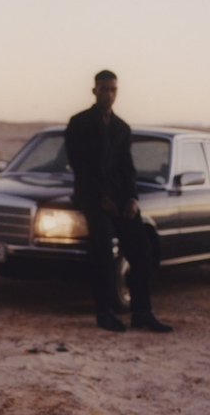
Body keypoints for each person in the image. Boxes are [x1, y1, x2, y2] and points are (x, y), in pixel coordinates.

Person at [65, 71, 173, 334]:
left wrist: (132, 199)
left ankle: (142, 312)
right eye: (104, 89)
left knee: (142, 250)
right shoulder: (79, 123)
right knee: (102, 252)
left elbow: (128, 167)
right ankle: (105, 312)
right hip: (91, 197)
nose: (109, 94)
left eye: (113, 90)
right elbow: (80, 166)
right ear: (94, 91)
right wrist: (101, 199)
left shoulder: (122, 128)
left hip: (121, 198)